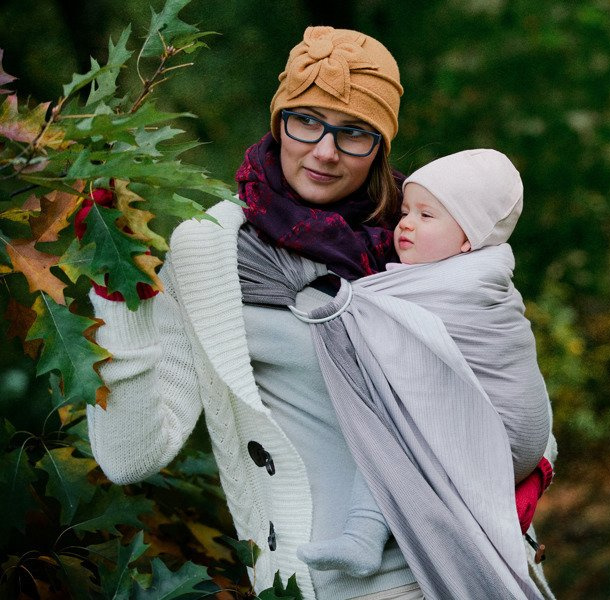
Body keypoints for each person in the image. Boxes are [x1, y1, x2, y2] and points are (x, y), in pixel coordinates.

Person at [82, 25, 554, 600]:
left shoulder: (426, 233)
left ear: (380, 146)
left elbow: (506, 385)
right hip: (343, 584)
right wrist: (119, 294)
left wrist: (527, 473)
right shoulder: (210, 252)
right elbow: (131, 457)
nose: (325, 151)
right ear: (278, 121)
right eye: (306, 120)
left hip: (476, 562)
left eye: (354, 133)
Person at [296, 149, 554, 582]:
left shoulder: (460, 284)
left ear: (468, 239)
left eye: (426, 215)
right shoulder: (480, 274)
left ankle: (362, 535)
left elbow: (359, 306)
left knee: (391, 426)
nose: (406, 225)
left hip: (502, 438)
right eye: (405, 212)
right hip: (529, 437)